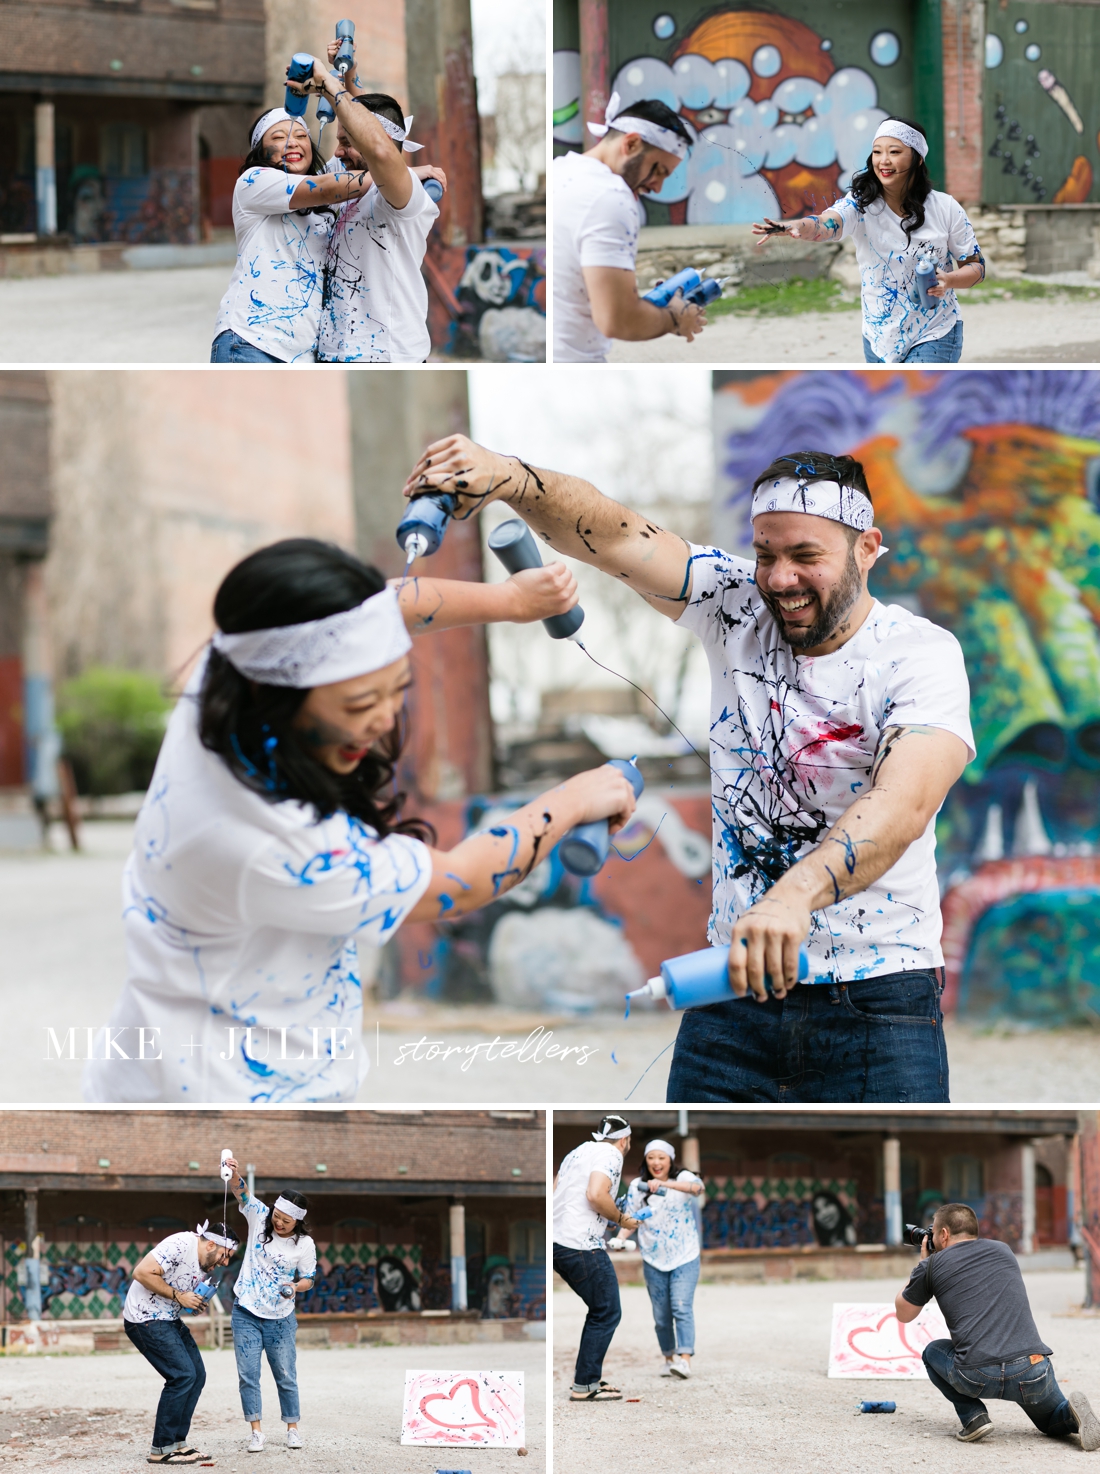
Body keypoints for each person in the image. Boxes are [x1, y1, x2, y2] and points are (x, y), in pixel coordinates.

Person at [401, 438, 976, 1104]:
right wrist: (511, 478)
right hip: (730, 990)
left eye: (806, 557)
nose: (780, 579)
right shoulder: (732, 604)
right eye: (767, 556)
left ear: (867, 548)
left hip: (879, 1000)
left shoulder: (920, 656)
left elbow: (903, 803)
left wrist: (792, 897)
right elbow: (613, 535)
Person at [84, 538, 636, 1103]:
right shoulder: (281, 843)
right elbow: (463, 882)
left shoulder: (231, 668)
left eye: (397, 690)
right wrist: (575, 798)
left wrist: (511, 600)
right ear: (275, 691)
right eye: (356, 704)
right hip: (231, 1103)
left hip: (168, 1055)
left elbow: (384, 606)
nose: (380, 720)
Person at [211, 108, 445, 364]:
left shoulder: (324, 194)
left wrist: (349, 74)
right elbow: (328, 187)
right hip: (252, 341)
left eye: (301, 135)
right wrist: (404, 174)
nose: (292, 141)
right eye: (278, 137)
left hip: (301, 355)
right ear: (259, 149)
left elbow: (367, 145)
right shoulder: (254, 182)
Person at [752, 117, 984, 364]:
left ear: (917, 159)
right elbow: (827, 222)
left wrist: (947, 280)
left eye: (895, 152)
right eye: (877, 152)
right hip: (879, 338)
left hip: (935, 331)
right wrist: (796, 226)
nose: (884, 160)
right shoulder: (859, 204)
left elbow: (976, 268)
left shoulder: (946, 207)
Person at [897, 1202, 1100, 1448]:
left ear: (943, 1234)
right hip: (1031, 1367)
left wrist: (922, 1266)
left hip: (976, 1374)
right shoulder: (1003, 1250)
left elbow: (904, 1313)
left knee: (932, 1352)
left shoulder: (931, 1265)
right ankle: (1071, 1415)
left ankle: (974, 1418)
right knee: (1051, 1421)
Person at [287, 59, 440, 362]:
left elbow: (380, 148)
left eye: (346, 142)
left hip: (390, 356)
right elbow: (367, 126)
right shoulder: (345, 180)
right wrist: (349, 75)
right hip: (331, 354)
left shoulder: (405, 197)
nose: (337, 152)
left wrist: (330, 86)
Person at [553, 95, 707, 362]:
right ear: (632, 143)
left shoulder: (560, 170)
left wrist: (647, 303)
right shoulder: (611, 196)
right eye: (658, 170)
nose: (657, 187)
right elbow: (617, 320)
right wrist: (675, 318)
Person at [123, 1218, 241, 1465]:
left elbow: (180, 1291)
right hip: (144, 1317)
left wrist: (193, 1301)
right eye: (224, 1255)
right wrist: (179, 1296)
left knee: (197, 1375)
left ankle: (177, 1443)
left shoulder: (203, 1263)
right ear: (210, 1245)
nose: (226, 1262)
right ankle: (161, 1448)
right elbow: (141, 1272)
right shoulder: (179, 1244)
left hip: (168, 1317)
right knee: (182, 1375)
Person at [223, 1158, 316, 1453]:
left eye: (285, 1221)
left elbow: (309, 1279)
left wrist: (294, 1286)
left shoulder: (304, 1244)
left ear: (297, 1222)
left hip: (281, 1317)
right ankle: (256, 1432)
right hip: (246, 1312)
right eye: (277, 1215)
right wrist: (234, 1174)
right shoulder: (259, 1216)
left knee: (285, 1375)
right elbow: (242, 1193)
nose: (278, 1222)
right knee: (248, 1375)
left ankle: (292, 1428)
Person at [552, 1114, 640, 1402]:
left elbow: (558, 1193)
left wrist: (608, 1217)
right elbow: (595, 1194)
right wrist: (622, 1218)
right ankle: (585, 1385)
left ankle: (587, 1378)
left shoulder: (577, 1152)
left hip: (558, 1242)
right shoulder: (611, 1154)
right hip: (581, 1245)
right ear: (625, 1140)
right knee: (607, 1311)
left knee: (600, 1310)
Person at [622, 1139, 703, 1379]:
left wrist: (666, 1184)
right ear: (645, 1161)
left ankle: (685, 1360)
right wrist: (619, 1237)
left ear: (670, 1160)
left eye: (662, 1158)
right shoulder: (638, 1186)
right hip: (653, 1258)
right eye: (651, 1158)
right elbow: (631, 1218)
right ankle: (668, 1358)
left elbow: (698, 1189)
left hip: (685, 1255)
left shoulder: (684, 1177)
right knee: (661, 1315)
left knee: (681, 1306)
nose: (656, 1163)